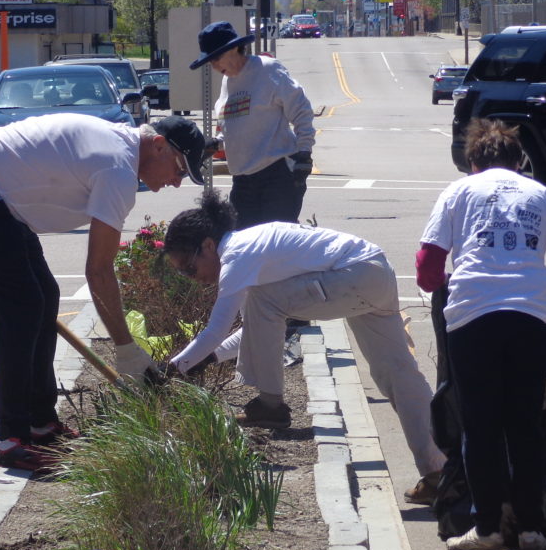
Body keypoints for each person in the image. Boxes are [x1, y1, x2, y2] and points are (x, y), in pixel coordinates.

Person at [0, 113, 209, 471]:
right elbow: (97, 270)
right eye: (179, 169)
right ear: (158, 146)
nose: (176, 182)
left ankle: (40, 423)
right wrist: (126, 349)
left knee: (43, 296)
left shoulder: (121, 153)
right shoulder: (118, 170)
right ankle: (7, 438)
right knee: (21, 307)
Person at [164, 190, 446, 482]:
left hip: (355, 274)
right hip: (374, 270)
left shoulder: (237, 254)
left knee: (265, 300)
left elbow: (217, 328)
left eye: (188, 268)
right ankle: (439, 471)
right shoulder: (252, 251)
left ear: (208, 246)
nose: (191, 278)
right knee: (399, 375)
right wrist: (207, 358)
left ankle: (271, 405)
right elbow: (253, 332)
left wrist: (171, 370)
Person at [416, 118, 546, 550]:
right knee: (525, 424)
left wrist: (447, 276)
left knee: (480, 426)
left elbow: (427, 268)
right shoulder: (542, 196)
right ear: (519, 161)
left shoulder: (458, 193)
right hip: (530, 316)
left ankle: (487, 529)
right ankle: (533, 529)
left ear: (472, 163)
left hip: (473, 316)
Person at [189, 21, 315, 229]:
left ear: (232, 49)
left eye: (215, 58)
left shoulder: (267, 70)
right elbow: (236, 126)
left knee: (275, 243)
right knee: (244, 245)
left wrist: (304, 153)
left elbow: (301, 111)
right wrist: (216, 144)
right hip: (242, 180)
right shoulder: (227, 82)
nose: (213, 66)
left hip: (276, 175)